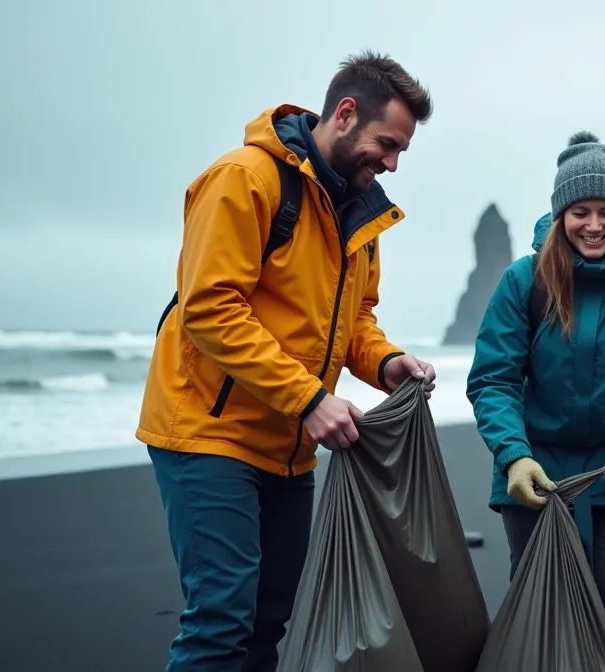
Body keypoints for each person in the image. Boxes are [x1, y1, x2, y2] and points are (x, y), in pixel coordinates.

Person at [136, 50, 438, 672]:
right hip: (206, 432)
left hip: (289, 445)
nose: (392, 163)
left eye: (402, 150)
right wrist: (308, 399)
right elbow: (210, 307)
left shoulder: (363, 212)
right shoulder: (245, 178)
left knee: (269, 618)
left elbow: (353, 322)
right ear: (346, 114)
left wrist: (386, 365)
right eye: (387, 144)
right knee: (221, 620)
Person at [466, 131, 605, 671]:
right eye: (581, 211)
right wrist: (514, 456)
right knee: (542, 602)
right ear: (560, 213)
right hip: (533, 469)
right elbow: (494, 380)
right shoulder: (524, 281)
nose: (594, 225)